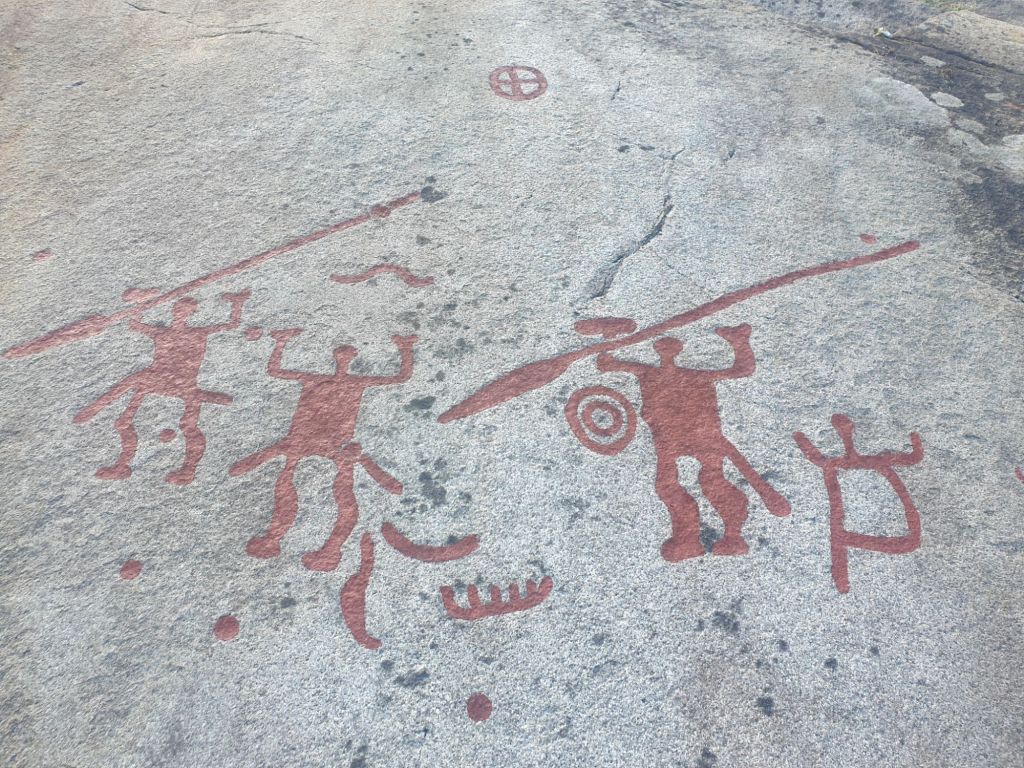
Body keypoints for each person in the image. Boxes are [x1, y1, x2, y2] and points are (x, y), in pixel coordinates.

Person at [597, 324, 789, 560]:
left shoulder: (661, 373)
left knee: (708, 481)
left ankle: (728, 536)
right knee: (674, 484)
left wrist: (740, 342)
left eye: (666, 348)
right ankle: (690, 538)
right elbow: (605, 364)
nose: (665, 352)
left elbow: (742, 370)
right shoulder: (652, 372)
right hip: (674, 437)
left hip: (697, 435)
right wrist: (609, 335)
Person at [230, 330, 417, 572]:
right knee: (292, 482)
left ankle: (327, 548)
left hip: (329, 443)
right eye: (343, 355)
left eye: (348, 355)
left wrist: (405, 347)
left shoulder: (350, 382)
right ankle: (281, 538)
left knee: (336, 491)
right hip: (307, 440)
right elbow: (275, 371)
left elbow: (400, 377)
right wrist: (280, 342)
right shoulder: (316, 379)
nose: (344, 358)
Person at [74, 291, 249, 485]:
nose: (180, 312)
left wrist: (237, 303)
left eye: (185, 310)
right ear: (173, 310)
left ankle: (188, 470)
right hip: (158, 379)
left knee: (185, 424)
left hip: (181, 382)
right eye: (178, 308)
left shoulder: (197, 333)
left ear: (192, 313)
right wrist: (138, 305)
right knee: (124, 421)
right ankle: (122, 465)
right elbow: (134, 324)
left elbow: (231, 325)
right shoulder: (161, 332)